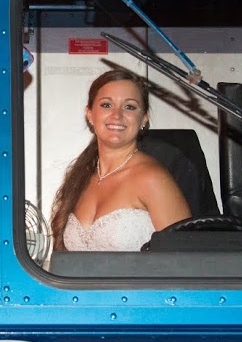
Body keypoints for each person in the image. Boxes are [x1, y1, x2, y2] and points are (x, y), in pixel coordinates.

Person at [49, 69, 192, 251]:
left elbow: (185, 259)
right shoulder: (80, 178)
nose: (117, 115)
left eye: (129, 107)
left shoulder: (152, 178)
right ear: (90, 114)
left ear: (144, 118)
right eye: (106, 105)